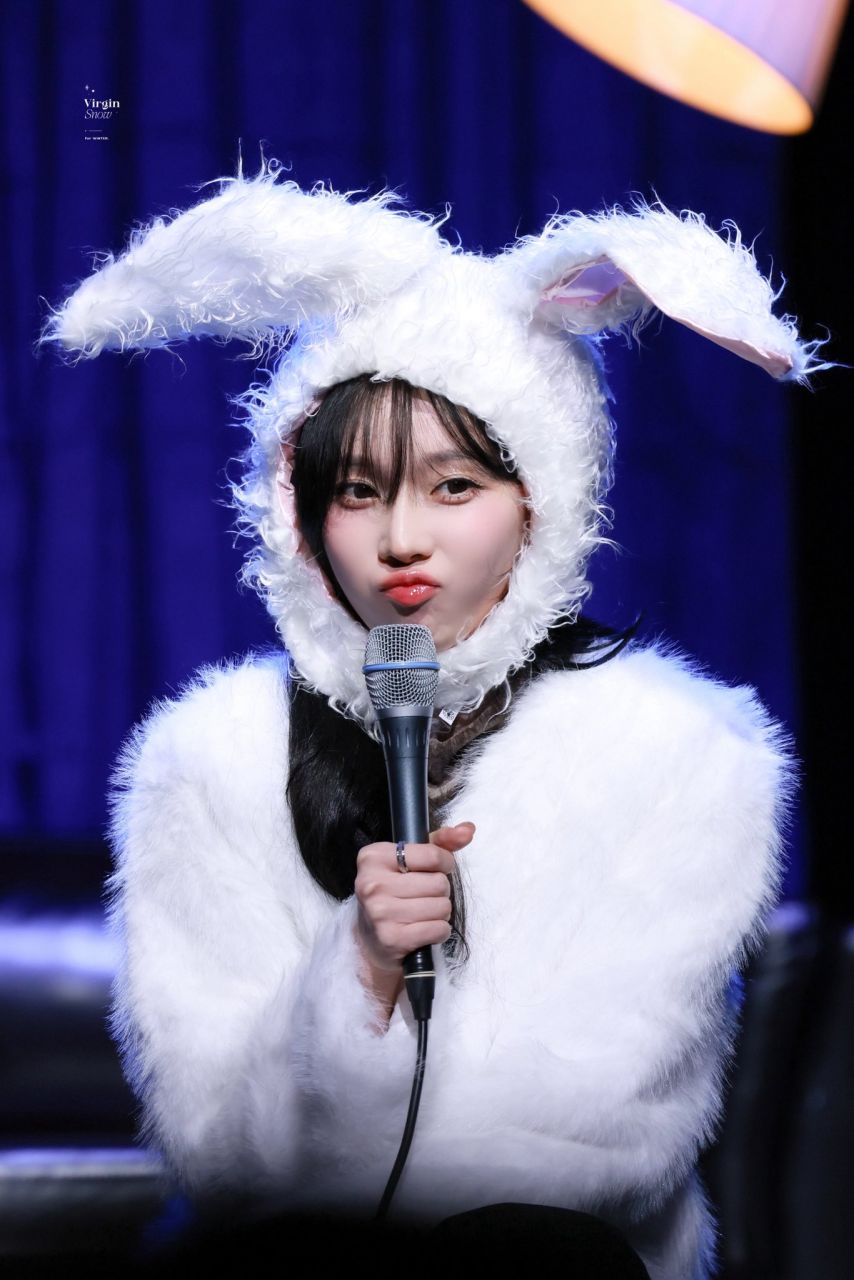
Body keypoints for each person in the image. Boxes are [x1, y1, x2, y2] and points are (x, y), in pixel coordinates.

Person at [41, 157, 822, 1279]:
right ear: (300, 513)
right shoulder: (210, 757)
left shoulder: (679, 751)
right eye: (358, 492)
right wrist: (354, 972)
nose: (401, 538)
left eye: (454, 487)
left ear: (539, 504)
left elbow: (598, 1132)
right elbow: (220, 1152)